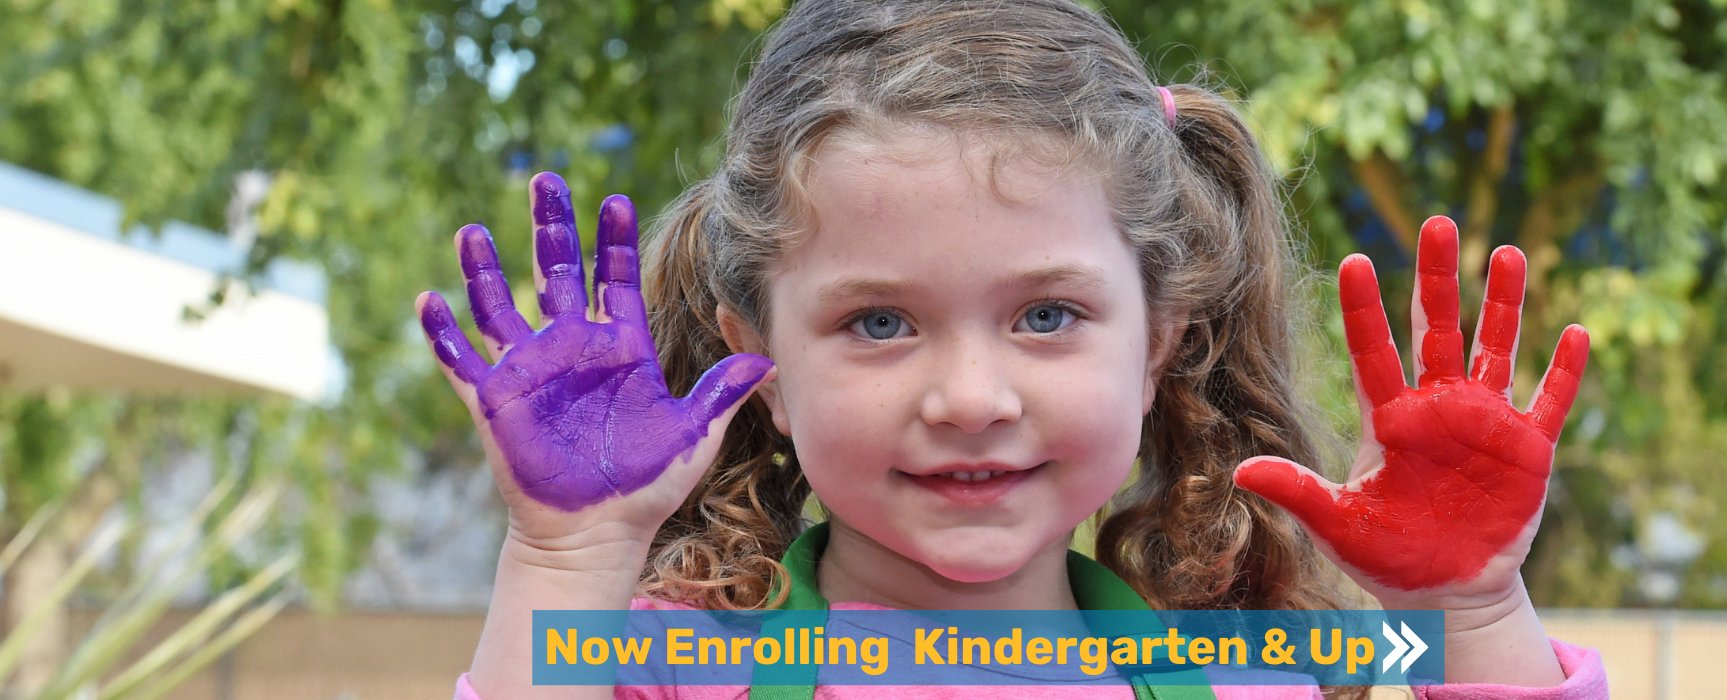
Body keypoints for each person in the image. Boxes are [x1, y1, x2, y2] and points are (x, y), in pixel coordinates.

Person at [414, 0, 1607, 697]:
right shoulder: (661, 663)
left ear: (1158, 344)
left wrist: (1474, 607)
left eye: (1046, 316)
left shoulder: (1274, 671)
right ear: (758, 365)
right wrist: (565, 561)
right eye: (878, 322)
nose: (972, 397)